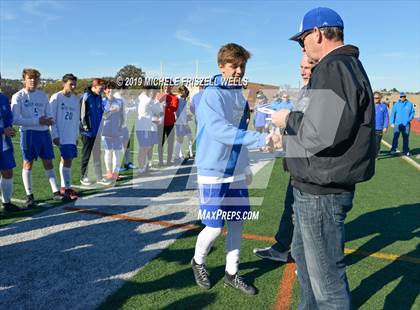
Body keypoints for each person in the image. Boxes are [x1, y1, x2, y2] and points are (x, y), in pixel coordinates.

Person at [272, 7, 375, 309]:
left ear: (316, 33)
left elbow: (320, 133)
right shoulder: (342, 66)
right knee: (306, 265)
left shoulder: (334, 67)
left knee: (327, 284)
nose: (302, 45)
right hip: (317, 186)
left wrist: (286, 120)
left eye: (302, 39)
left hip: (322, 191)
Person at [191, 43, 281, 295]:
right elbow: (220, 131)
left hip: (236, 171)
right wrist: (261, 140)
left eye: (242, 66)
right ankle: (198, 261)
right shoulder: (212, 94)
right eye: (234, 65)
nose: (239, 70)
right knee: (214, 227)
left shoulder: (238, 95)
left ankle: (232, 273)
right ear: (221, 66)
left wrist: (245, 166)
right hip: (213, 170)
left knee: (238, 223)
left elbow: (239, 135)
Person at [253, 53, 316, 262]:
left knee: (307, 215)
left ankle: (304, 258)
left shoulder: (319, 92)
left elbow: (314, 133)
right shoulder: (305, 91)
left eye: (308, 66)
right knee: (291, 207)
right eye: (301, 66)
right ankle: (282, 247)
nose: (303, 70)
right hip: (298, 162)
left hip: (312, 167)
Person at [11, 68, 62, 207]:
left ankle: (56, 192)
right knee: (28, 163)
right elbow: (15, 119)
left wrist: (50, 123)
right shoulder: (18, 96)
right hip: (29, 133)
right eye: (30, 78)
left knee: (48, 162)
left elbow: (49, 115)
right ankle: (29, 195)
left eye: (35, 78)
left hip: (44, 133)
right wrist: (37, 121)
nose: (33, 81)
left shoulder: (43, 95)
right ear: (24, 80)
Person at [50, 73, 80, 201]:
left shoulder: (75, 99)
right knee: (66, 159)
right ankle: (66, 188)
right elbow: (51, 118)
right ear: (64, 83)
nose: (72, 87)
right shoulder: (56, 97)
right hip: (61, 134)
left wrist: (76, 134)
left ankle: (64, 187)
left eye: (74, 84)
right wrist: (55, 135)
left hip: (71, 135)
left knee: (68, 160)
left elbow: (77, 119)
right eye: (70, 84)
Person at [79, 78, 111, 186]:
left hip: (97, 131)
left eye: (103, 89)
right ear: (94, 87)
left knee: (97, 155)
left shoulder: (99, 98)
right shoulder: (86, 97)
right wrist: (86, 128)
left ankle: (99, 177)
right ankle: (83, 177)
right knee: (86, 155)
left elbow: (102, 112)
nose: (102, 90)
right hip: (87, 132)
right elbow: (82, 115)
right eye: (100, 88)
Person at [0, 75, 22, 217]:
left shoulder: (2, 98)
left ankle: (7, 203)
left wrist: (9, 129)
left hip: (4, 142)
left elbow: (8, 117)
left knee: (8, 172)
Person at [101, 81, 125, 182]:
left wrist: (121, 126)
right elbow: (102, 116)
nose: (111, 90)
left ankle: (115, 173)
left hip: (117, 130)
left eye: (112, 88)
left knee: (117, 153)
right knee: (108, 152)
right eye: (108, 88)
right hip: (105, 131)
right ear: (105, 90)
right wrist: (110, 111)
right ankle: (108, 172)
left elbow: (122, 116)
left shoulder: (119, 101)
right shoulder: (102, 102)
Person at [136, 88, 162, 173]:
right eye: (153, 91)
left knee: (145, 147)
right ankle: (142, 168)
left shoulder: (140, 97)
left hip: (143, 127)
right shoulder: (148, 100)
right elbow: (159, 111)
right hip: (145, 128)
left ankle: (143, 167)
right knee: (144, 148)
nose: (154, 93)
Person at [157, 83, 178, 166]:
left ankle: (169, 161)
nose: (166, 87)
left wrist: (167, 105)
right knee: (160, 144)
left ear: (171, 87)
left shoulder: (174, 97)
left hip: (170, 123)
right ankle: (160, 161)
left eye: (168, 85)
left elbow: (175, 108)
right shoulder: (159, 96)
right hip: (160, 124)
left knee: (170, 143)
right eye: (165, 85)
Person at [390, 92, 415, 156]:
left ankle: (406, 150)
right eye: (401, 96)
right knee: (395, 137)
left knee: (406, 138)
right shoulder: (396, 104)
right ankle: (393, 149)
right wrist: (392, 122)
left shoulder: (410, 104)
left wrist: (408, 120)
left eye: (403, 96)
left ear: (405, 97)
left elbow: (412, 113)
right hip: (397, 124)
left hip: (406, 124)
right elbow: (393, 113)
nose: (402, 98)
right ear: (400, 97)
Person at [174, 85, 193, 162]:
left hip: (184, 121)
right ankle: (177, 156)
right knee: (180, 139)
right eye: (185, 92)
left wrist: (187, 117)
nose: (186, 95)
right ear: (182, 91)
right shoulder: (178, 99)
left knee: (189, 136)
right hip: (180, 122)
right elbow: (177, 112)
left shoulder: (183, 99)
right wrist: (183, 121)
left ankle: (189, 154)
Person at [374, 92, 389, 157]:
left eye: (377, 98)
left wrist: (385, 127)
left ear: (380, 98)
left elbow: (386, 117)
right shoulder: (370, 106)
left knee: (377, 142)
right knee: (370, 142)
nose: (375, 99)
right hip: (371, 128)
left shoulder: (384, 106)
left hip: (379, 128)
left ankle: (376, 154)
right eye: (374, 98)